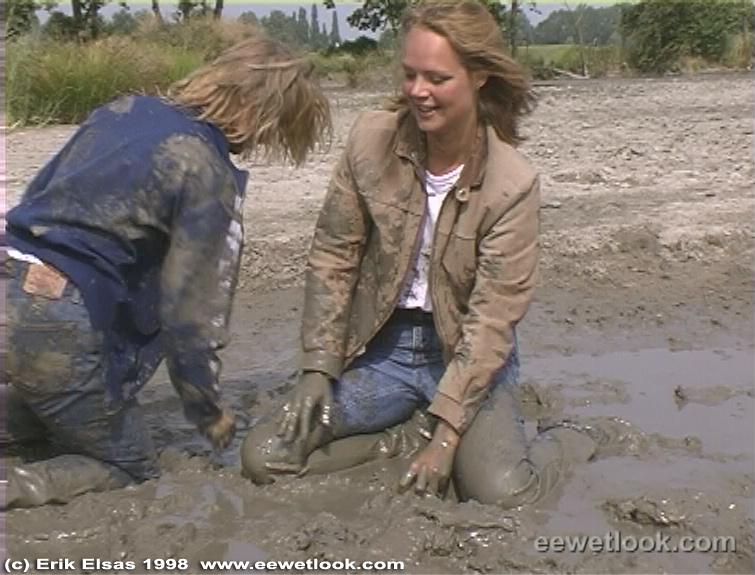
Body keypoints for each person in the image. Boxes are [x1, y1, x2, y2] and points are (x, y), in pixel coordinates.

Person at [241, 0, 610, 507]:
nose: (418, 91)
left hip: (465, 355)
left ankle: (572, 438)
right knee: (265, 455)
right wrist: (318, 368)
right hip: (384, 352)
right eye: (410, 73)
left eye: (437, 78)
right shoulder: (370, 141)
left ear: (479, 76)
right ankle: (400, 440)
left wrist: (448, 438)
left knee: (500, 491)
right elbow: (333, 256)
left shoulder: (512, 184)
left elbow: (491, 321)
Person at [1, 35, 331, 509]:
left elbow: (41, 200)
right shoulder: (205, 170)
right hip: (54, 319)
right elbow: (190, 316)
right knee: (130, 466)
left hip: (10, 278)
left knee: (48, 407)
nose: (259, 143)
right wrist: (206, 407)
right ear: (254, 111)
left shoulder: (124, 109)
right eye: (272, 130)